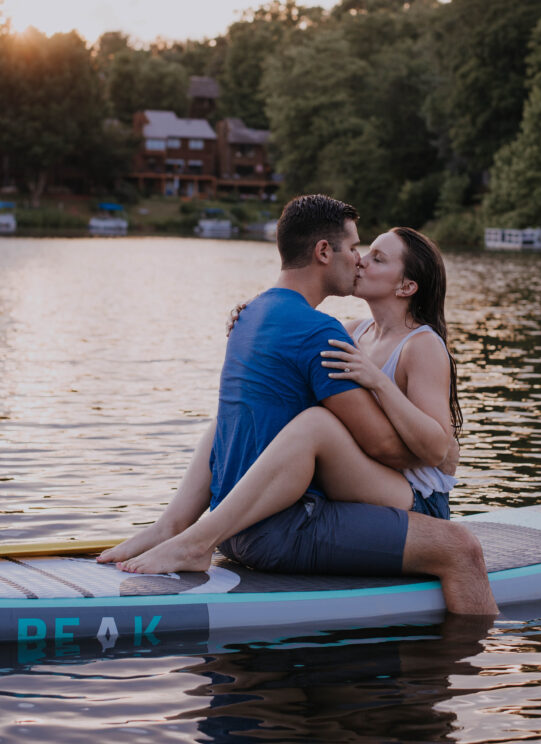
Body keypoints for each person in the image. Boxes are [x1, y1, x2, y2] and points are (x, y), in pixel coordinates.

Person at [99, 195, 497, 615]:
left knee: (316, 425)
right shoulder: (353, 332)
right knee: (233, 421)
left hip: (413, 492)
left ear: (406, 286)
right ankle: (173, 526)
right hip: (367, 484)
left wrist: (379, 382)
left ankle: (197, 536)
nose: (360, 261)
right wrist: (253, 316)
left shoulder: (421, 346)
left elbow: (436, 451)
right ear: (324, 252)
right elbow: (291, 360)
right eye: (360, 250)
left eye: (376, 257)